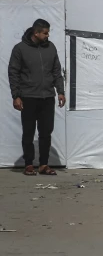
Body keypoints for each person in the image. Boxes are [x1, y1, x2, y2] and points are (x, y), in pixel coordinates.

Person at [8, 19, 65, 177]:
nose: (48, 35)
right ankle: (28, 164)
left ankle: (44, 164)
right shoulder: (20, 49)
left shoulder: (50, 48)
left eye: (48, 33)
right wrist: (16, 96)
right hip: (28, 96)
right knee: (28, 132)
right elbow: (13, 73)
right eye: (45, 33)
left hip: (47, 96)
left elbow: (56, 71)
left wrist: (60, 91)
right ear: (36, 33)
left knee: (46, 132)